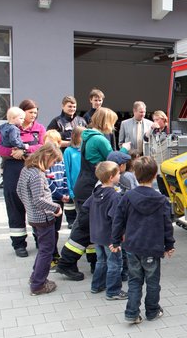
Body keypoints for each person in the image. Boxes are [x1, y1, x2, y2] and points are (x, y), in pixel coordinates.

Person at [55, 107, 130, 281]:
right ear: (106, 121)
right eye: (112, 122)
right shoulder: (100, 139)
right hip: (91, 188)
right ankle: (66, 262)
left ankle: (94, 261)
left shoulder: (88, 136)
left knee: (90, 227)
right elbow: (113, 161)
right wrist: (125, 151)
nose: (113, 126)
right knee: (84, 228)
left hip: (85, 186)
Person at [111, 156, 175, 324]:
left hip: (132, 247)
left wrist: (116, 241)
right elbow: (167, 225)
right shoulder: (161, 200)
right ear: (155, 175)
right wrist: (169, 245)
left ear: (135, 174)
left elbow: (118, 220)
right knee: (153, 282)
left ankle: (132, 313)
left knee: (134, 281)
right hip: (152, 248)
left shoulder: (127, 197)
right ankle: (152, 311)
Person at [0, 99, 46, 257]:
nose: (33, 116)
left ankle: (40, 239)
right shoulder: (9, 129)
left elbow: (43, 145)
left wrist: (25, 150)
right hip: (13, 170)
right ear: (22, 113)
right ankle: (19, 244)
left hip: (33, 170)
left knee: (37, 204)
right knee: (15, 207)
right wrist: (11, 152)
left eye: (35, 113)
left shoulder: (39, 128)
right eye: (30, 113)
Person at [16, 143, 63, 296]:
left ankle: (35, 276)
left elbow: (19, 191)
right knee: (47, 251)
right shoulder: (37, 174)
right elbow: (38, 199)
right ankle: (38, 285)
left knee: (43, 248)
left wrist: (28, 207)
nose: (53, 165)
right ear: (47, 157)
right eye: (53, 161)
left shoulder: (26, 169)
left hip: (34, 216)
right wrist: (55, 208)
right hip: (43, 217)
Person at [84, 161, 127, 300]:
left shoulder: (96, 192)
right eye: (118, 173)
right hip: (109, 237)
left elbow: (86, 207)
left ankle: (97, 285)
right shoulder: (114, 196)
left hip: (96, 234)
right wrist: (118, 238)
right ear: (111, 177)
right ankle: (113, 291)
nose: (120, 175)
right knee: (115, 262)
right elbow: (116, 220)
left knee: (101, 260)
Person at [43, 130, 70, 269]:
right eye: (48, 142)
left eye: (54, 143)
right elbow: (48, 182)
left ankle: (54, 253)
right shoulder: (45, 161)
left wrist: (65, 192)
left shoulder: (61, 159)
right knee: (51, 229)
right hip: (51, 199)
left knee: (57, 228)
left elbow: (65, 176)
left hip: (60, 198)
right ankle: (52, 255)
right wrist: (59, 195)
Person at [107, 150, 134, 282]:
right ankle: (125, 272)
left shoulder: (104, 180)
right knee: (123, 248)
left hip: (111, 220)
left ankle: (124, 271)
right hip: (123, 220)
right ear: (121, 166)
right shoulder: (124, 179)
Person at [144, 110, 170, 195]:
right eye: (154, 120)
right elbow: (145, 137)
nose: (155, 122)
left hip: (167, 159)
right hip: (158, 161)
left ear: (163, 119)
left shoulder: (169, 129)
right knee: (161, 185)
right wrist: (151, 128)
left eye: (157, 119)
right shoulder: (155, 131)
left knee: (168, 187)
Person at [63, 126, 85, 229]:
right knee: (79, 214)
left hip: (85, 187)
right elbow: (66, 171)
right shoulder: (68, 151)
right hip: (75, 187)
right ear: (75, 136)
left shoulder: (86, 150)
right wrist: (69, 190)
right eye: (82, 136)